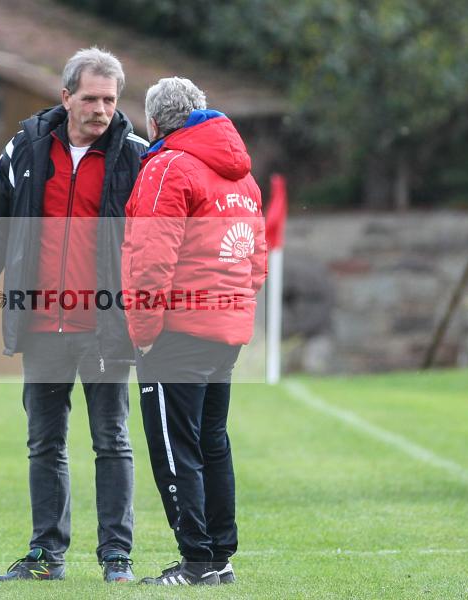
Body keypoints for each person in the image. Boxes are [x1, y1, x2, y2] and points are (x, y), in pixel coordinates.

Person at [0, 47, 148, 583]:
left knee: (112, 441)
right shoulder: (25, 149)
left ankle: (116, 557)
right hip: (41, 326)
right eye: (90, 98)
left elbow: (158, 243)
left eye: (109, 99)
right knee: (44, 443)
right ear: (66, 97)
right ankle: (46, 556)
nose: (101, 109)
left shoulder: (137, 154)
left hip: (106, 326)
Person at [121, 77, 267, 586]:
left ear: (155, 123)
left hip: (177, 333)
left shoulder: (166, 166)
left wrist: (141, 330)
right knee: (211, 443)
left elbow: (149, 260)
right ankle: (219, 559)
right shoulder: (242, 178)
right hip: (225, 331)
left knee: (173, 446)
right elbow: (256, 260)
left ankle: (197, 562)